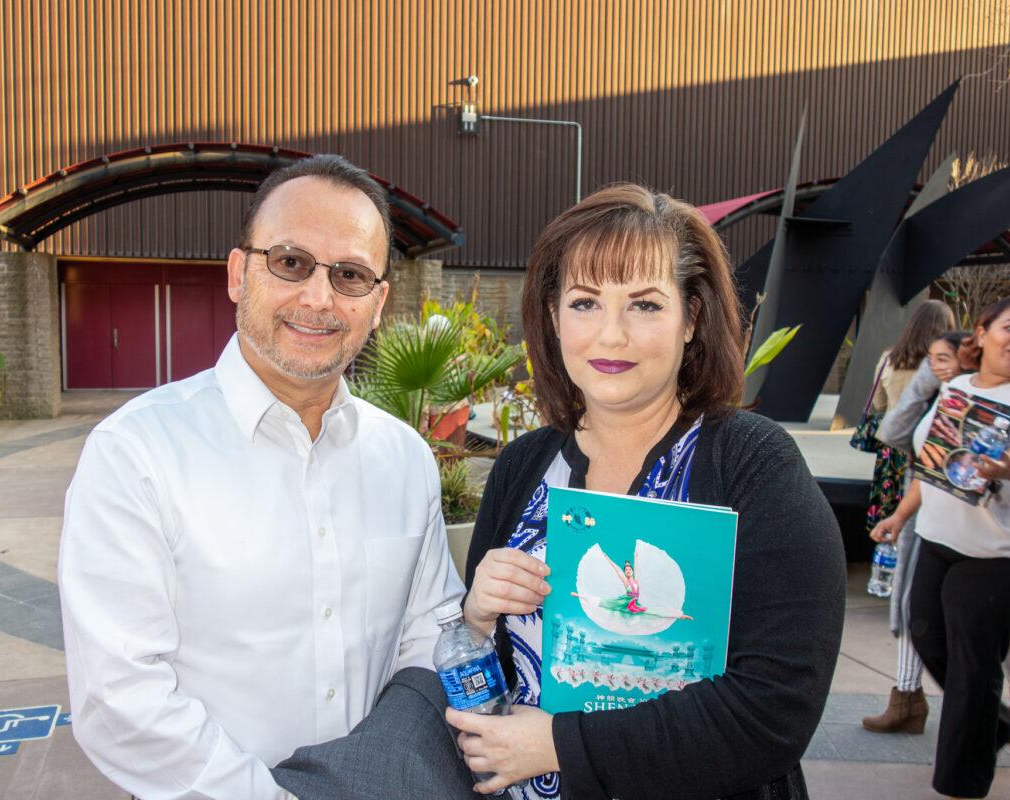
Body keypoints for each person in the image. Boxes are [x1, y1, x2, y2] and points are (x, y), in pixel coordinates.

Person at [58, 155, 465, 800]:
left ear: (379, 302)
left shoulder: (404, 459)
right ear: (238, 273)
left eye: (351, 275)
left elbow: (429, 639)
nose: (318, 298)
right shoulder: (137, 454)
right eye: (291, 262)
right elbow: (120, 697)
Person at [454, 184, 846, 800]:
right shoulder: (523, 467)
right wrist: (475, 621)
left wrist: (561, 745)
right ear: (553, 316)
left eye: (644, 305)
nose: (611, 336)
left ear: (692, 318)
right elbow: (480, 680)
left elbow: (776, 709)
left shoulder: (751, 464)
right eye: (585, 303)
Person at [872, 294, 1010, 799]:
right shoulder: (959, 386)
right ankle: (996, 725)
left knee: (973, 667)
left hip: (1005, 558)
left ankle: (961, 785)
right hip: (939, 540)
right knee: (926, 635)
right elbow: (933, 464)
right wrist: (899, 516)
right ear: (984, 333)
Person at [863, 300, 955, 535]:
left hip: (892, 450)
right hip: (931, 450)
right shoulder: (947, 367)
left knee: (888, 519)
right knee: (920, 522)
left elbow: (879, 403)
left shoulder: (889, 358)